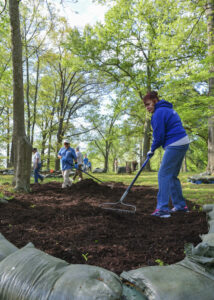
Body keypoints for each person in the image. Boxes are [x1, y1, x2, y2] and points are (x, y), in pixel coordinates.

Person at [143, 91, 190, 218]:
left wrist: (151, 149)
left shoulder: (158, 113)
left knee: (163, 174)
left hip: (175, 143)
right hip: (183, 142)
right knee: (172, 176)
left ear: (155, 100)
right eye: (145, 106)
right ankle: (180, 206)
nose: (147, 108)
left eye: (148, 104)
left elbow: (159, 136)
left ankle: (163, 209)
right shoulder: (167, 109)